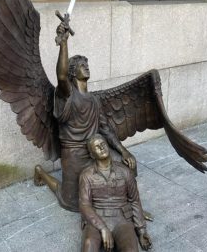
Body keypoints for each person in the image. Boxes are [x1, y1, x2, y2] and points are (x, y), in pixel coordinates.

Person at [34, 20, 136, 212]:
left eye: (87, 64)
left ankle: (128, 205)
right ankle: (41, 173)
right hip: (74, 154)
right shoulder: (66, 94)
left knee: (127, 166)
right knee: (72, 202)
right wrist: (63, 43)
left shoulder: (95, 101)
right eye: (81, 65)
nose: (86, 67)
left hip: (95, 150)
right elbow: (61, 77)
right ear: (73, 72)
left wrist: (124, 152)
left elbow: (106, 130)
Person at [79, 134, 152, 252]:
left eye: (103, 144)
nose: (102, 148)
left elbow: (134, 200)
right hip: (97, 218)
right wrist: (102, 228)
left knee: (131, 250)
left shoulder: (125, 171)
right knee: (88, 245)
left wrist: (141, 230)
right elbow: (84, 205)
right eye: (97, 147)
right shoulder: (86, 175)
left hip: (121, 220)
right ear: (92, 155)